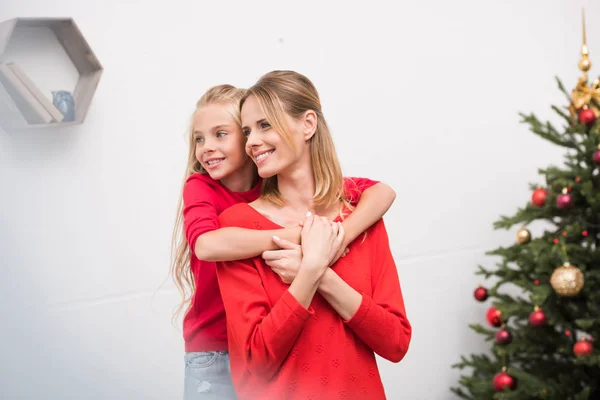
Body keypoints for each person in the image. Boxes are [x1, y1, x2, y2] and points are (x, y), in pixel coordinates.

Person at [170, 83, 398, 399]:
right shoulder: (202, 187)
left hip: (270, 353)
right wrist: (307, 237)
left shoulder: (274, 187)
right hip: (214, 346)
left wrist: (336, 236)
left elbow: (382, 192)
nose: (206, 146)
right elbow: (206, 245)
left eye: (222, 134)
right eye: (199, 139)